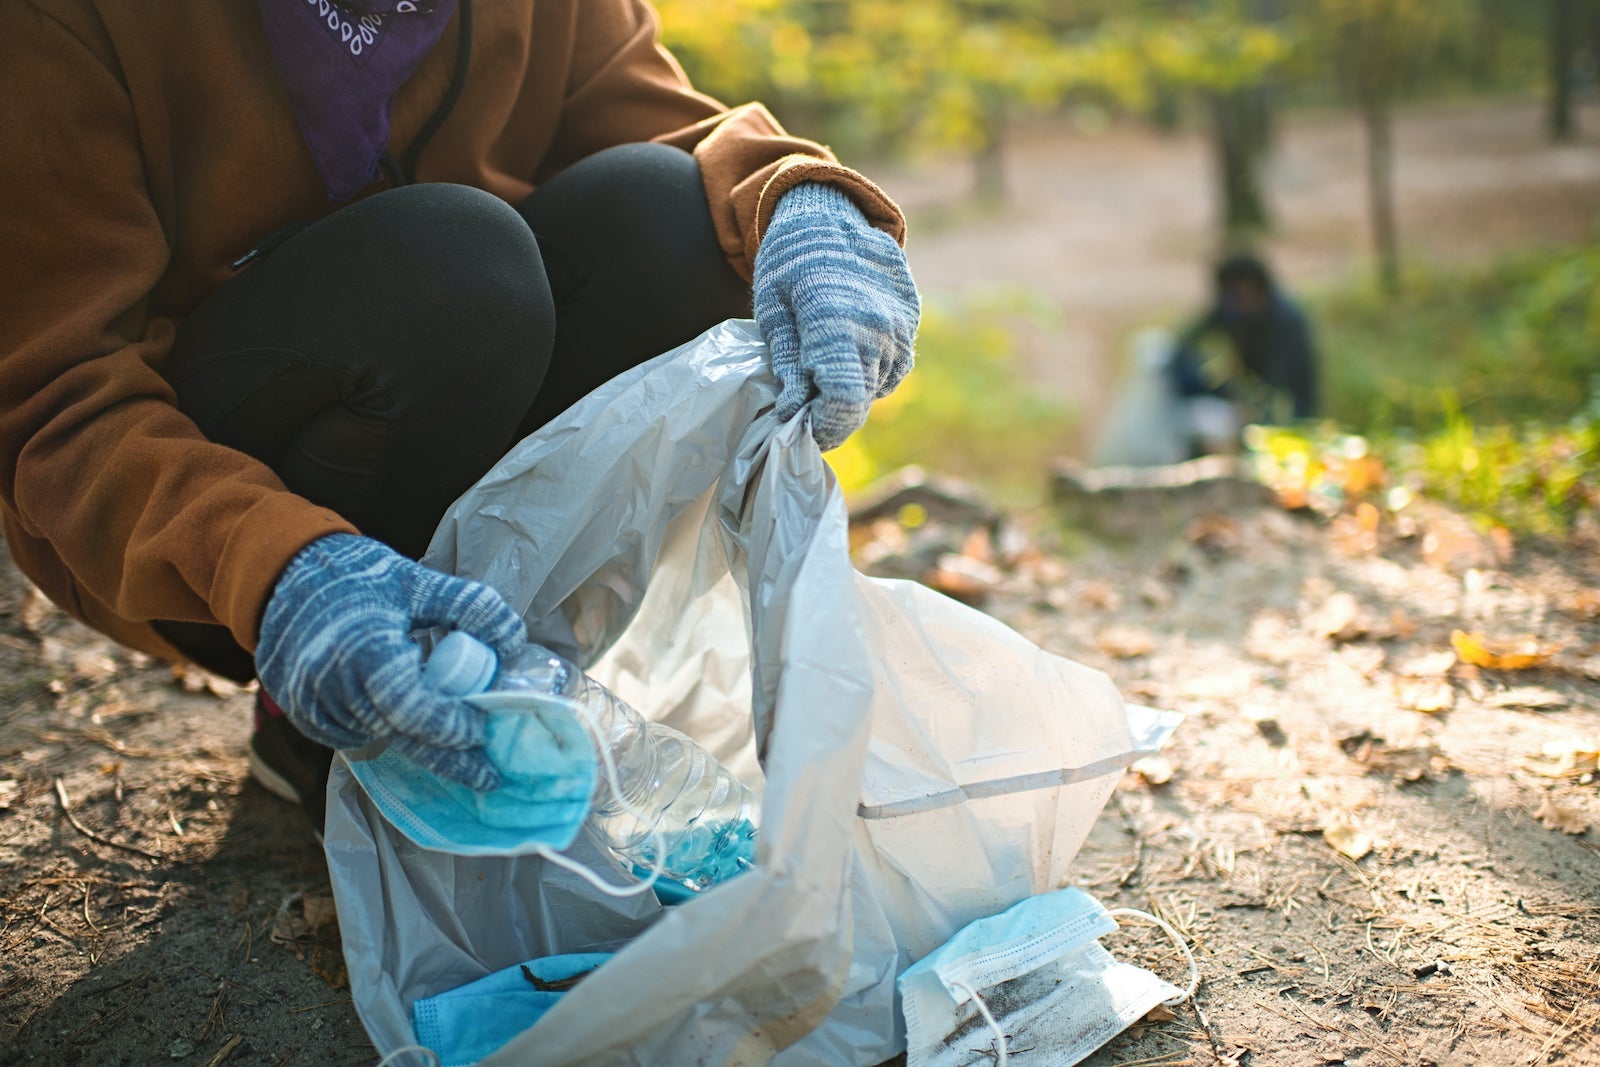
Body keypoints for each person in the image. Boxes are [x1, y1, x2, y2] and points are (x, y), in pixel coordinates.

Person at [0, 0, 919, 833]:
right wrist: (279, 568)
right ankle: (325, 712)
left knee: (669, 219)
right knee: (459, 270)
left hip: (446, 355)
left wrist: (795, 194)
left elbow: (650, 116)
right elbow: (54, 396)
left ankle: (498, 690)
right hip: (205, 506)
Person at [1169, 252, 1318, 452]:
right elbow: (1188, 341)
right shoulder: (1232, 309)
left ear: (1253, 287)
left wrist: (1247, 403)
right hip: (1251, 399)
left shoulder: (1287, 322)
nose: (1233, 301)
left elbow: (1283, 384)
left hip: (1289, 403)